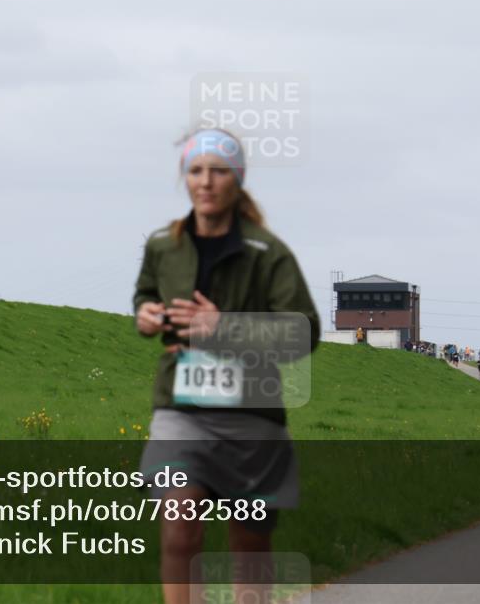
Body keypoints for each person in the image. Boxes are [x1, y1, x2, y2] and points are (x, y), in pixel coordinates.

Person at [134, 127, 320, 603]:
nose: (206, 182)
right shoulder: (162, 245)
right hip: (180, 410)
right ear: (184, 177)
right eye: (196, 170)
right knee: (179, 526)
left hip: (251, 414)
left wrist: (223, 327)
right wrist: (147, 315)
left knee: (249, 545)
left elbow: (304, 332)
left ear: (237, 180)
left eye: (218, 171)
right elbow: (146, 294)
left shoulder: (268, 254)